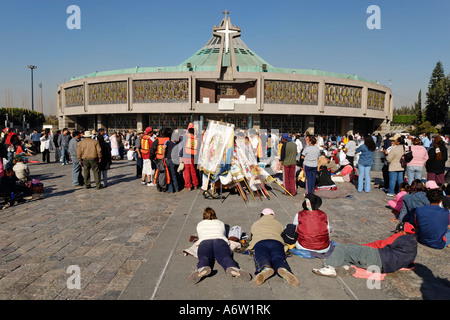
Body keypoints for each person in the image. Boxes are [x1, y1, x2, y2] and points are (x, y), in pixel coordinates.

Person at [312, 221, 417, 278]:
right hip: (384, 266)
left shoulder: (399, 237)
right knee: (349, 256)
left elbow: (378, 245)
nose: (395, 233)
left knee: (342, 248)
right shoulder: (413, 245)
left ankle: (329, 267)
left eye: (396, 231)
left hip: (378, 257)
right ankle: (346, 267)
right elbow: (410, 263)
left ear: (401, 231)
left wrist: (360, 247)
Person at [188, 207, 251, 284]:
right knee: (225, 257)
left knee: (204, 257)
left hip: (204, 242)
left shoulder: (199, 224)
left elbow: (200, 235)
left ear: (204, 216)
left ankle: (202, 268)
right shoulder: (220, 223)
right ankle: (233, 268)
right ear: (214, 214)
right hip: (220, 241)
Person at [248, 208, 300, 287]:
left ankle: (266, 268)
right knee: (278, 257)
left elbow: (252, 235)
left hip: (260, 242)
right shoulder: (278, 223)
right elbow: (282, 233)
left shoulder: (256, 223)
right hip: (276, 242)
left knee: (262, 256)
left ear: (262, 215)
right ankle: (283, 268)